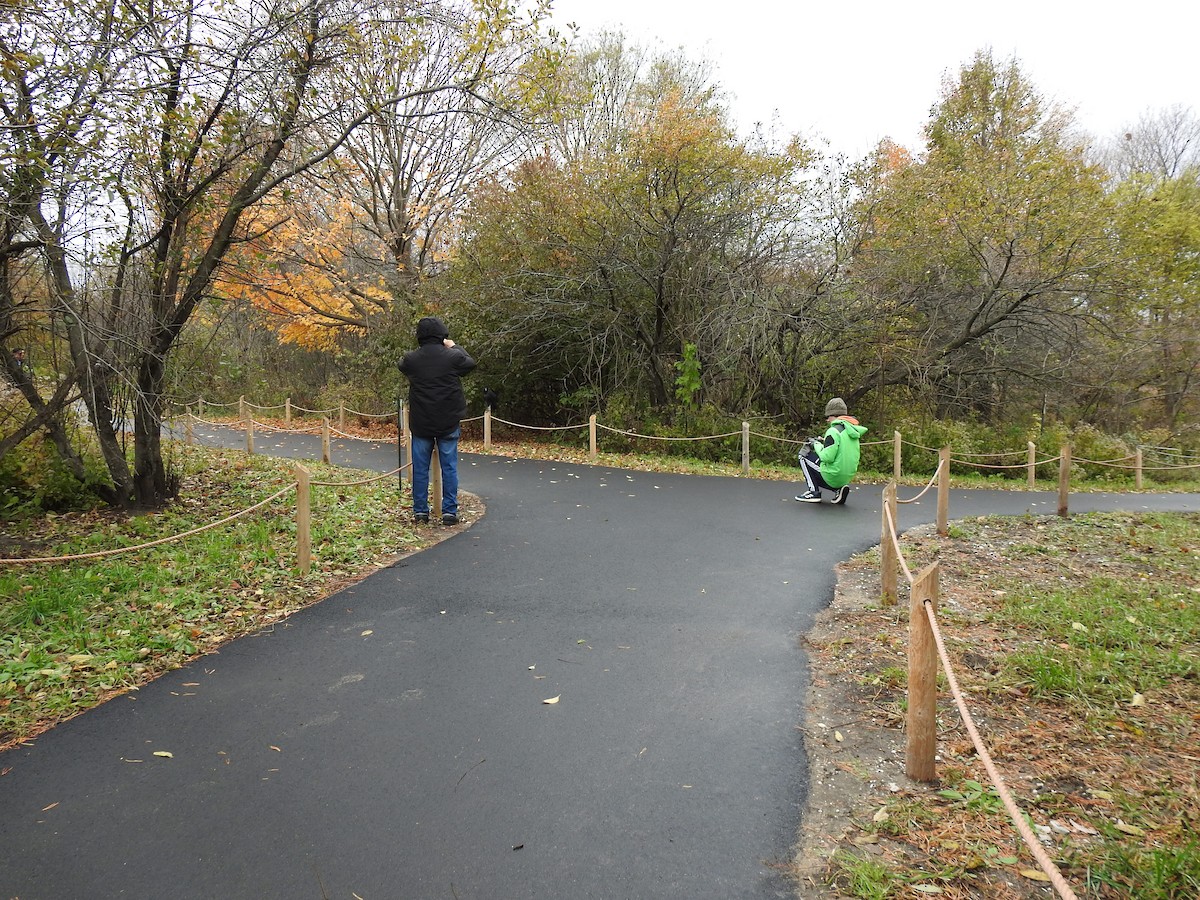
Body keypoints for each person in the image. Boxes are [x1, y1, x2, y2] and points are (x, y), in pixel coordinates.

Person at [398, 317, 476, 525]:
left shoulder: (412, 359)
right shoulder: (452, 357)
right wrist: (454, 346)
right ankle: (449, 512)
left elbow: (402, 365)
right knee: (449, 467)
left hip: (421, 422)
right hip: (448, 421)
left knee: (420, 468)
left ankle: (420, 512)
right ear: (442, 334)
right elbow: (470, 364)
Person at [795, 397, 867, 505]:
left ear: (835, 416)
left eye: (829, 416)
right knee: (824, 466)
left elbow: (827, 457)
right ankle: (838, 490)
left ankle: (813, 492)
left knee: (803, 456)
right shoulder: (852, 431)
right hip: (846, 477)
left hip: (834, 475)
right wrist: (824, 442)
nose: (827, 420)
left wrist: (816, 444)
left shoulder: (833, 431)